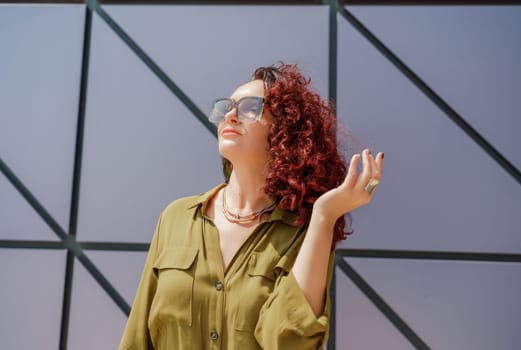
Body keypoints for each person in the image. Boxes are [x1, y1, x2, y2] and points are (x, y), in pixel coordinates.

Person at [119, 63, 384, 350]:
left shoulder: (303, 231)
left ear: (285, 131)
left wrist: (324, 216)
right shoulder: (176, 218)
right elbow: (137, 338)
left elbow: (289, 342)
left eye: (249, 108)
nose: (230, 116)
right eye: (227, 107)